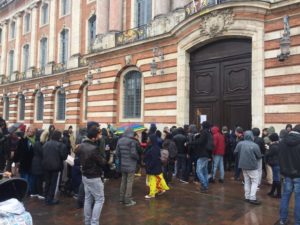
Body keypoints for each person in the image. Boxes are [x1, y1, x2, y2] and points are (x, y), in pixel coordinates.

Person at [77, 127, 106, 225]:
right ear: (94, 137)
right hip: (94, 176)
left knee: (88, 199)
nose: (100, 136)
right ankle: (94, 223)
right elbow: (101, 162)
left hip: (85, 175)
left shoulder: (81, 146)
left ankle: (87, 222)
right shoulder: (94, 148)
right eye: (98, 134)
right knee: (99, 199)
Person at [275, 124, 300, 225]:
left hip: (287, 174)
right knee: (298, 198)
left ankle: (283, 220)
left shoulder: (282, 142)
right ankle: (298, 222)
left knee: (285, 196)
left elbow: (280, 158)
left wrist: (282, 171)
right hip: (298, 175)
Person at [234, 131, 262, 205]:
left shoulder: (240, 143)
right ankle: (252, 198)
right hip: (252, 166)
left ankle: (247, 197)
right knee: (255, 182)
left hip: (243, 165)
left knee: (247, 181)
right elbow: (259, 156)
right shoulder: (255, 145)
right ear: (251, 136)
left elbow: (235, 152)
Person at [42, 130, 68, 205]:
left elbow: (42, 153)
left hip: (46, 166)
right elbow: (64, 157)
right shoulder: (61, 145)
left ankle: (46, 197)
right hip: (56, 167)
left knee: (47, 182)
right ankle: (50, 199)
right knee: (54, 183)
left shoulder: (46, 143)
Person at [116, 128, 139, 207]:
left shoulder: (120, 140)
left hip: (123, 164)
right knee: (129, 182)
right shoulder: (132, 141)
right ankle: (128, 200)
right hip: (131, 165)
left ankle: (121, 198)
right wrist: (137, 158)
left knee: (123, 181)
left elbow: (117, 153)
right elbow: (133, 154)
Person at [144, 134, 169, 199]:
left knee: (152, 181)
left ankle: (152, 194)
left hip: (153, 167)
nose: (147, 140)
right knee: (158, 179)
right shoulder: (154, 147)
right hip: (156, 167)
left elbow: (154, 159)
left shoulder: (153, 148)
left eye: (148, 139)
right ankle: (161, 189)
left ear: (151, 140)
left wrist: (149, 166)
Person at [190, 121, 212, 192]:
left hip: (202, 154)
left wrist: (190, 143)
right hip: (206, 154)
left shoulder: (204, 132)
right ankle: (205, 186)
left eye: (201, 125)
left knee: (198, 171)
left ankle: (204, 186)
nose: (200, 126)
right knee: (204, 171)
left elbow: (200, 141)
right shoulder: (208, 133)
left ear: (204, 126)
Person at [265, 133, 281, 198]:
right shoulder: (278, 144)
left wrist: (267, 149)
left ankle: (279, 194)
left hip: (275, 163)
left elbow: (268, 154)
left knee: (277, 179)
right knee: (275, 178)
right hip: (277, 163)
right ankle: (272, 192)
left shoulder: (274, 146)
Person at [30, 130, 45, 200]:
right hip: (38, 162)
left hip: (35, 161)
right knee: (39, 178)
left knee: (36, 178)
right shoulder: (39, 143)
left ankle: (34, 192)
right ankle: (39, 193)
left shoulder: (36, 142)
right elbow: (42, 152)